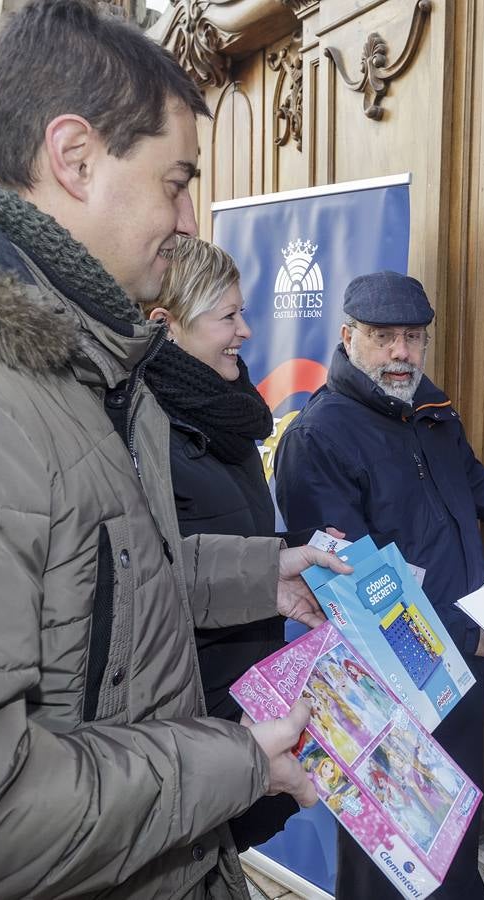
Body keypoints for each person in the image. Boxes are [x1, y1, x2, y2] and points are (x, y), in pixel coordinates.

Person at [0, 2, 351, 896]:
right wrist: (233, 766)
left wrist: (259, 576)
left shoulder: (69, 354)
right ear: (74, 158)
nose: (187, 219)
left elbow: (94, 584)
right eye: (175, 181)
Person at [274, 270, 484, 899]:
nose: (400, 353)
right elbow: (345, 591)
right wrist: (464, 632)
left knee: (454, 847)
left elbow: (481, 488)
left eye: (412, 337)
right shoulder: (317, 437)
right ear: (348, 337)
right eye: (382, 337)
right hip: (383, 695)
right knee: (386, 866)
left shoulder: (430, 411)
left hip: (455, 679)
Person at [140, 235, 301, 851]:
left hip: (245, 687)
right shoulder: (148, 433)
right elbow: (159, 576)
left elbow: (228, 534)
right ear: (166, 325)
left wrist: (292, 552)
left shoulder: (223, 414)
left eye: (245, 312)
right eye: (228, 316)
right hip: (196, 713)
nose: (246, 332)